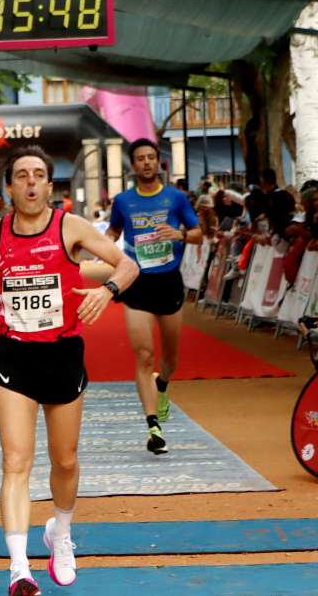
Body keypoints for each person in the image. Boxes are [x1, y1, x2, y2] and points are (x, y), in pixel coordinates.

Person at [0, 145, 138, 596]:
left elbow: (127, 264)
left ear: (49, 186)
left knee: (65, 459)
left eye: (39, 174)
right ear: (10, 186)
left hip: (62, 354)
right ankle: (19, 568)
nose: (31, 182)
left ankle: (61, 533)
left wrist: (107, 290)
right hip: (13, 356)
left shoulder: (69, 226)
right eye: (22, 175)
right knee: (15, 461)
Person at [107, 139, 202, 455]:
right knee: (145, 355)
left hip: (169, 282)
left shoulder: (176, 198)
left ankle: (163, 384)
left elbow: (199, 233)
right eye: (140, 159)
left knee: (170, 359)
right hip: (137, 284)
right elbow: (113, 233)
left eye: (150, 158)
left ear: (158, 163)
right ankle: (153, 427)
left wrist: (180, 235)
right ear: (133, 165)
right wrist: (93, 246)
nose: (146, 163)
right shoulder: (122, 201)